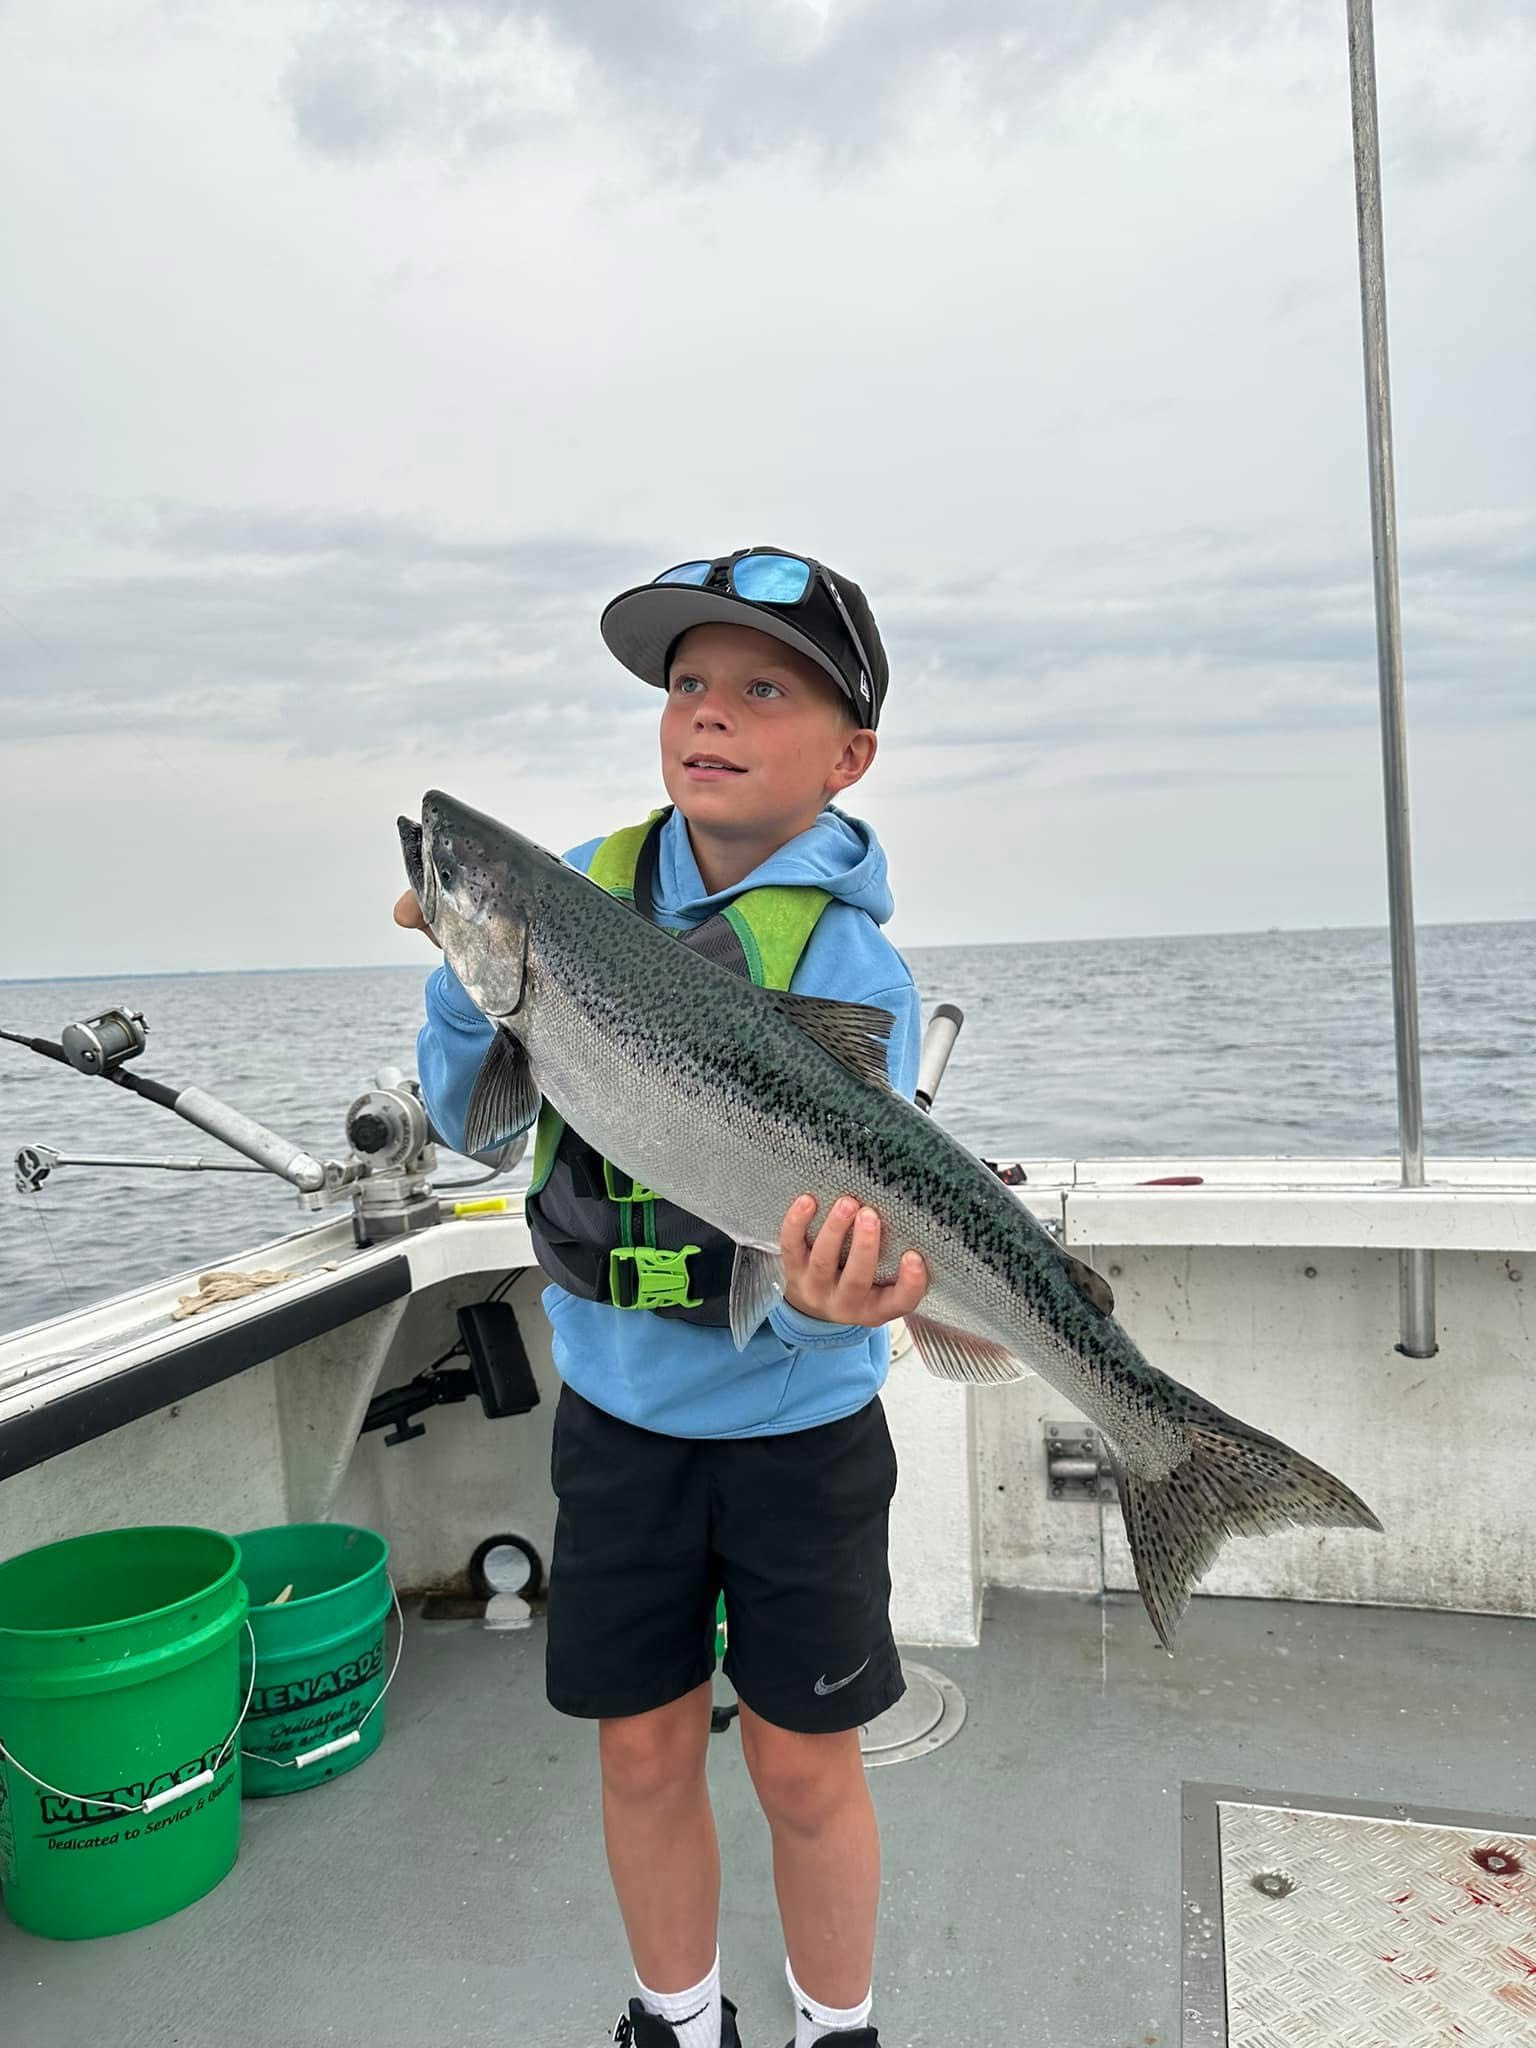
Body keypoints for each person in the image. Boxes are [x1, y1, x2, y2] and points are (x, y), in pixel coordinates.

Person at [395, 548, 928, 2048]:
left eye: (764, 688)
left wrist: (825, 1304)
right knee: (639, 1754)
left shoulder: (856, 965)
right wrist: (463, 965)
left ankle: (836, 2027)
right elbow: (479, 1122)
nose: (711, 712)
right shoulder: (573, 896)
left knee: (802, 1765)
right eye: (689, 682)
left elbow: (856, 1228)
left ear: (848, 755)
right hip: (619, 1417)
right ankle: (679, 2021)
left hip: (799, 1430)